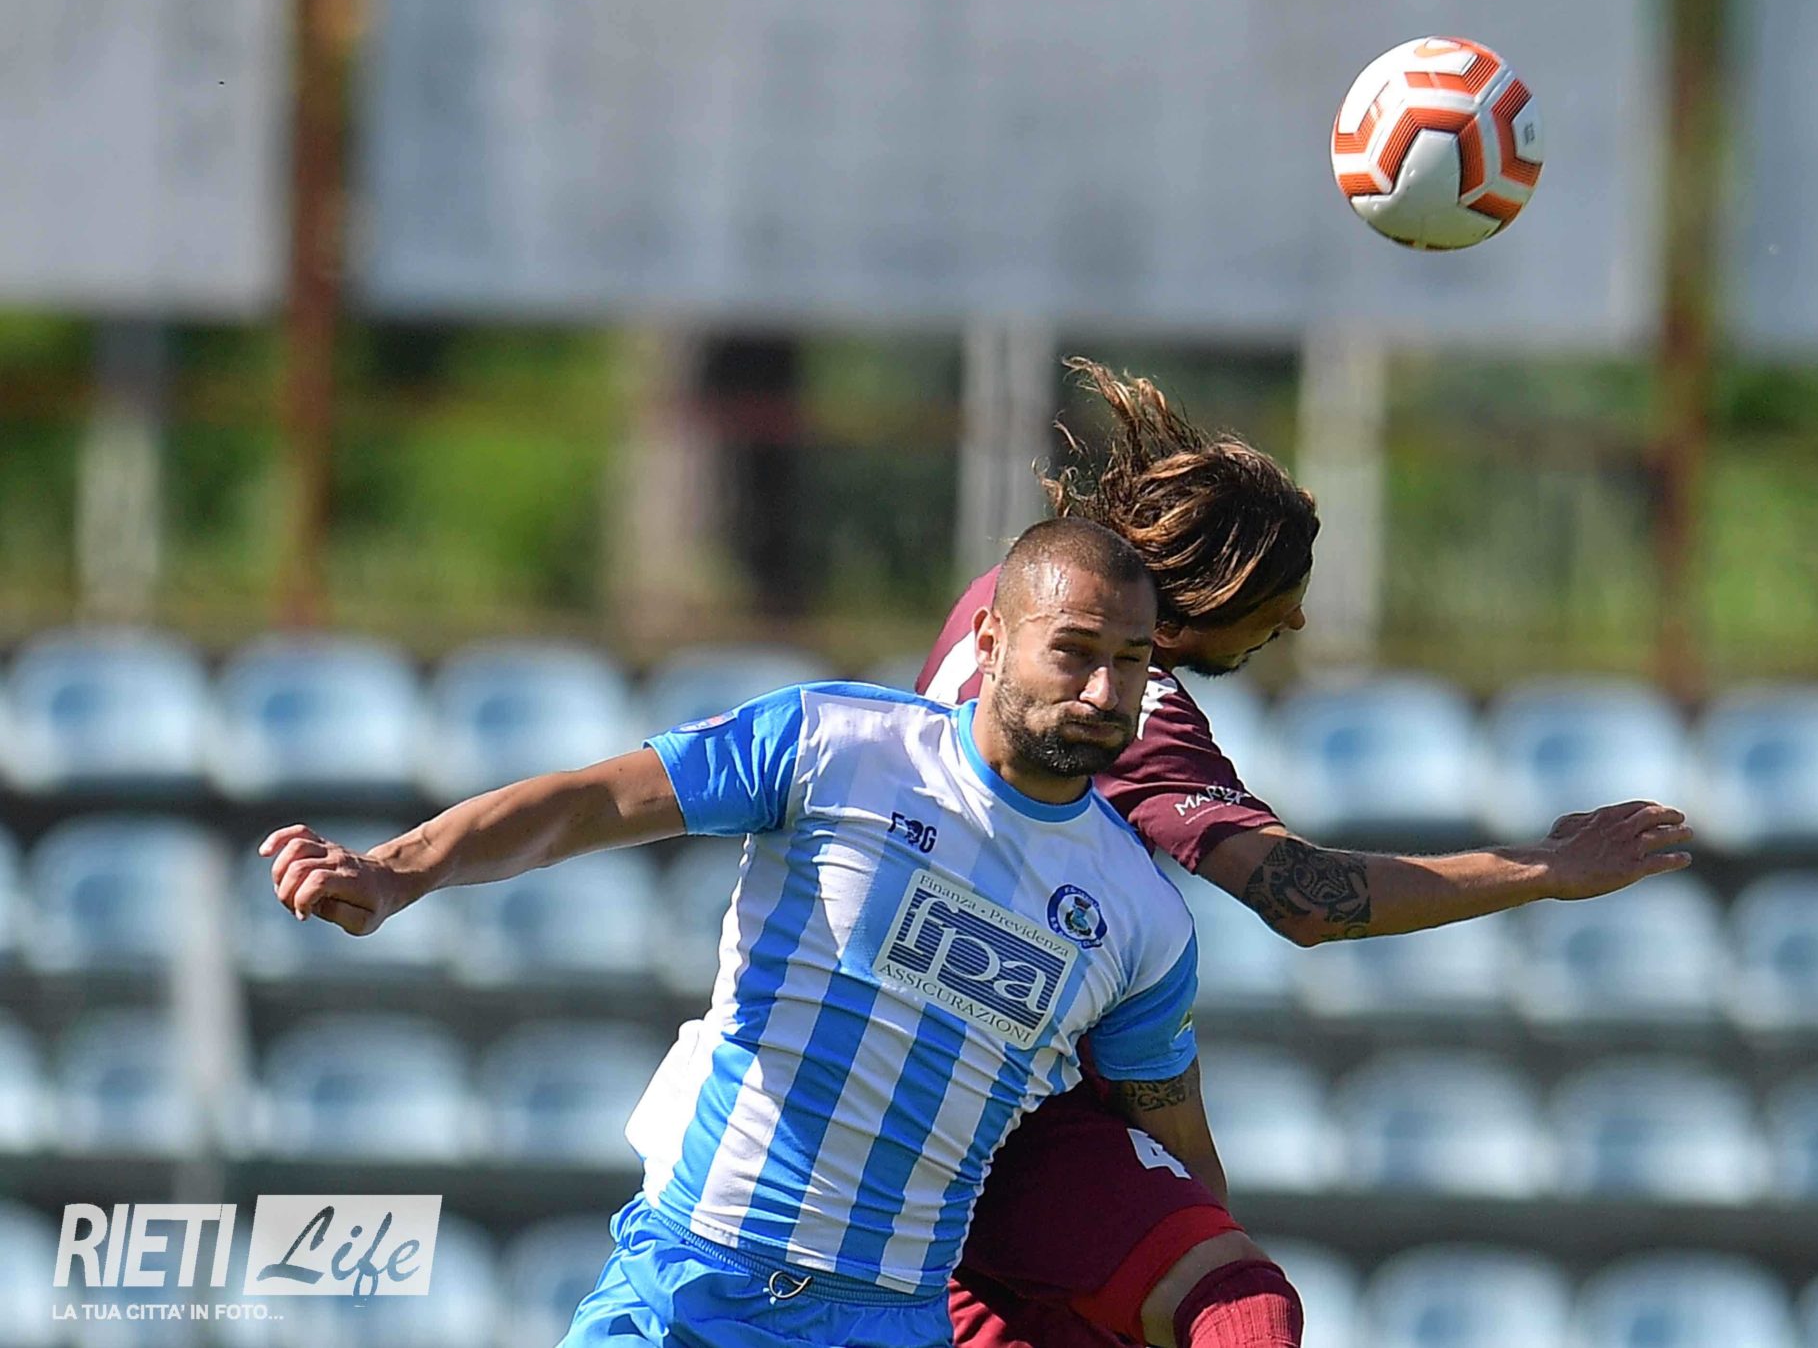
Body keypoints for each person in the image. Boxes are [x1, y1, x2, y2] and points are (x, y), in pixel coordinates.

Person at [260, 517, 1302, 1348]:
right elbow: (588, 802)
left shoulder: (1142, 919)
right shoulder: (835, 746)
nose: (1104, 691)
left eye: (1130, 662)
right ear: (989, 640)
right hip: (695, 1277)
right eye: (1073, 652)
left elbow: (1173, 1143)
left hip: (889, 1318)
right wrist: (395, 871)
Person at [921, 360, 1694, 1348]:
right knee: (1239, 1310)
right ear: (1206, 594)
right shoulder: (1131, 708)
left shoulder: (1007, 604)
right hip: (1014, 1103)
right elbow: (1307, 896)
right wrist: (1543, 869)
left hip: (937, 1069)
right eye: (1278, 597)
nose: (1291, 621)